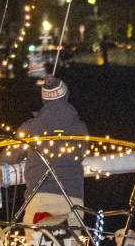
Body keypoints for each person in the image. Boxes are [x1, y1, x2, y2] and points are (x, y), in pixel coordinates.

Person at [14, 76, 89, 231]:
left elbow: (9, 156)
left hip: (39, 198)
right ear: (66, 96)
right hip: (72, 200)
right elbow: (82, 153)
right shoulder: (80, 128)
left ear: (44, 100)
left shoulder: (30, 128)